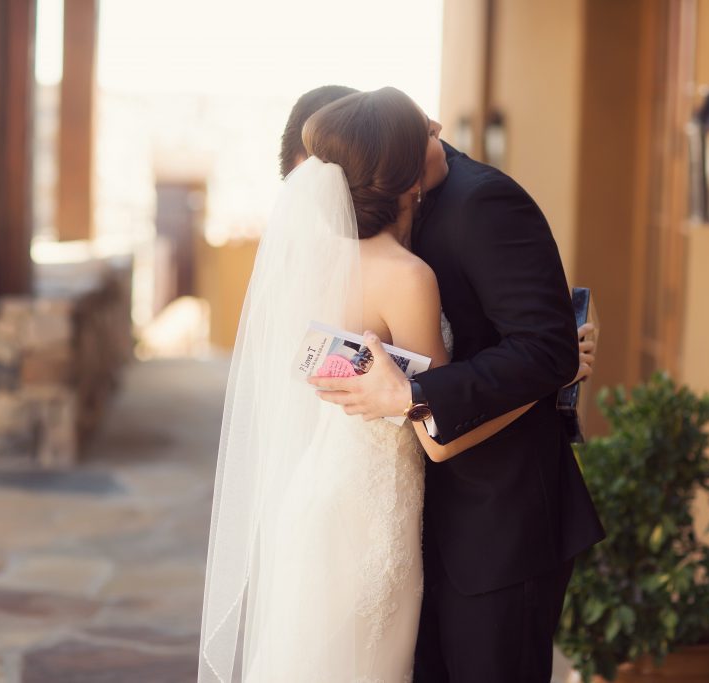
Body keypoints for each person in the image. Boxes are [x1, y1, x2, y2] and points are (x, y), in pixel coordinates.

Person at [198, 87, 549, 682]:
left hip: (319, 497)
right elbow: (436, 434)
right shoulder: (408, 278)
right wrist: (546, 377)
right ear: (410, 182)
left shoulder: (314, 267)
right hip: (373, 522)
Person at [302, 89, 606, 680]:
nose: (438, 126)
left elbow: (544, 346)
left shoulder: (486, 201)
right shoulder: (349, 249)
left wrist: (414, 398)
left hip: (494, 525)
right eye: (421, 128)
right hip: (391, 518)